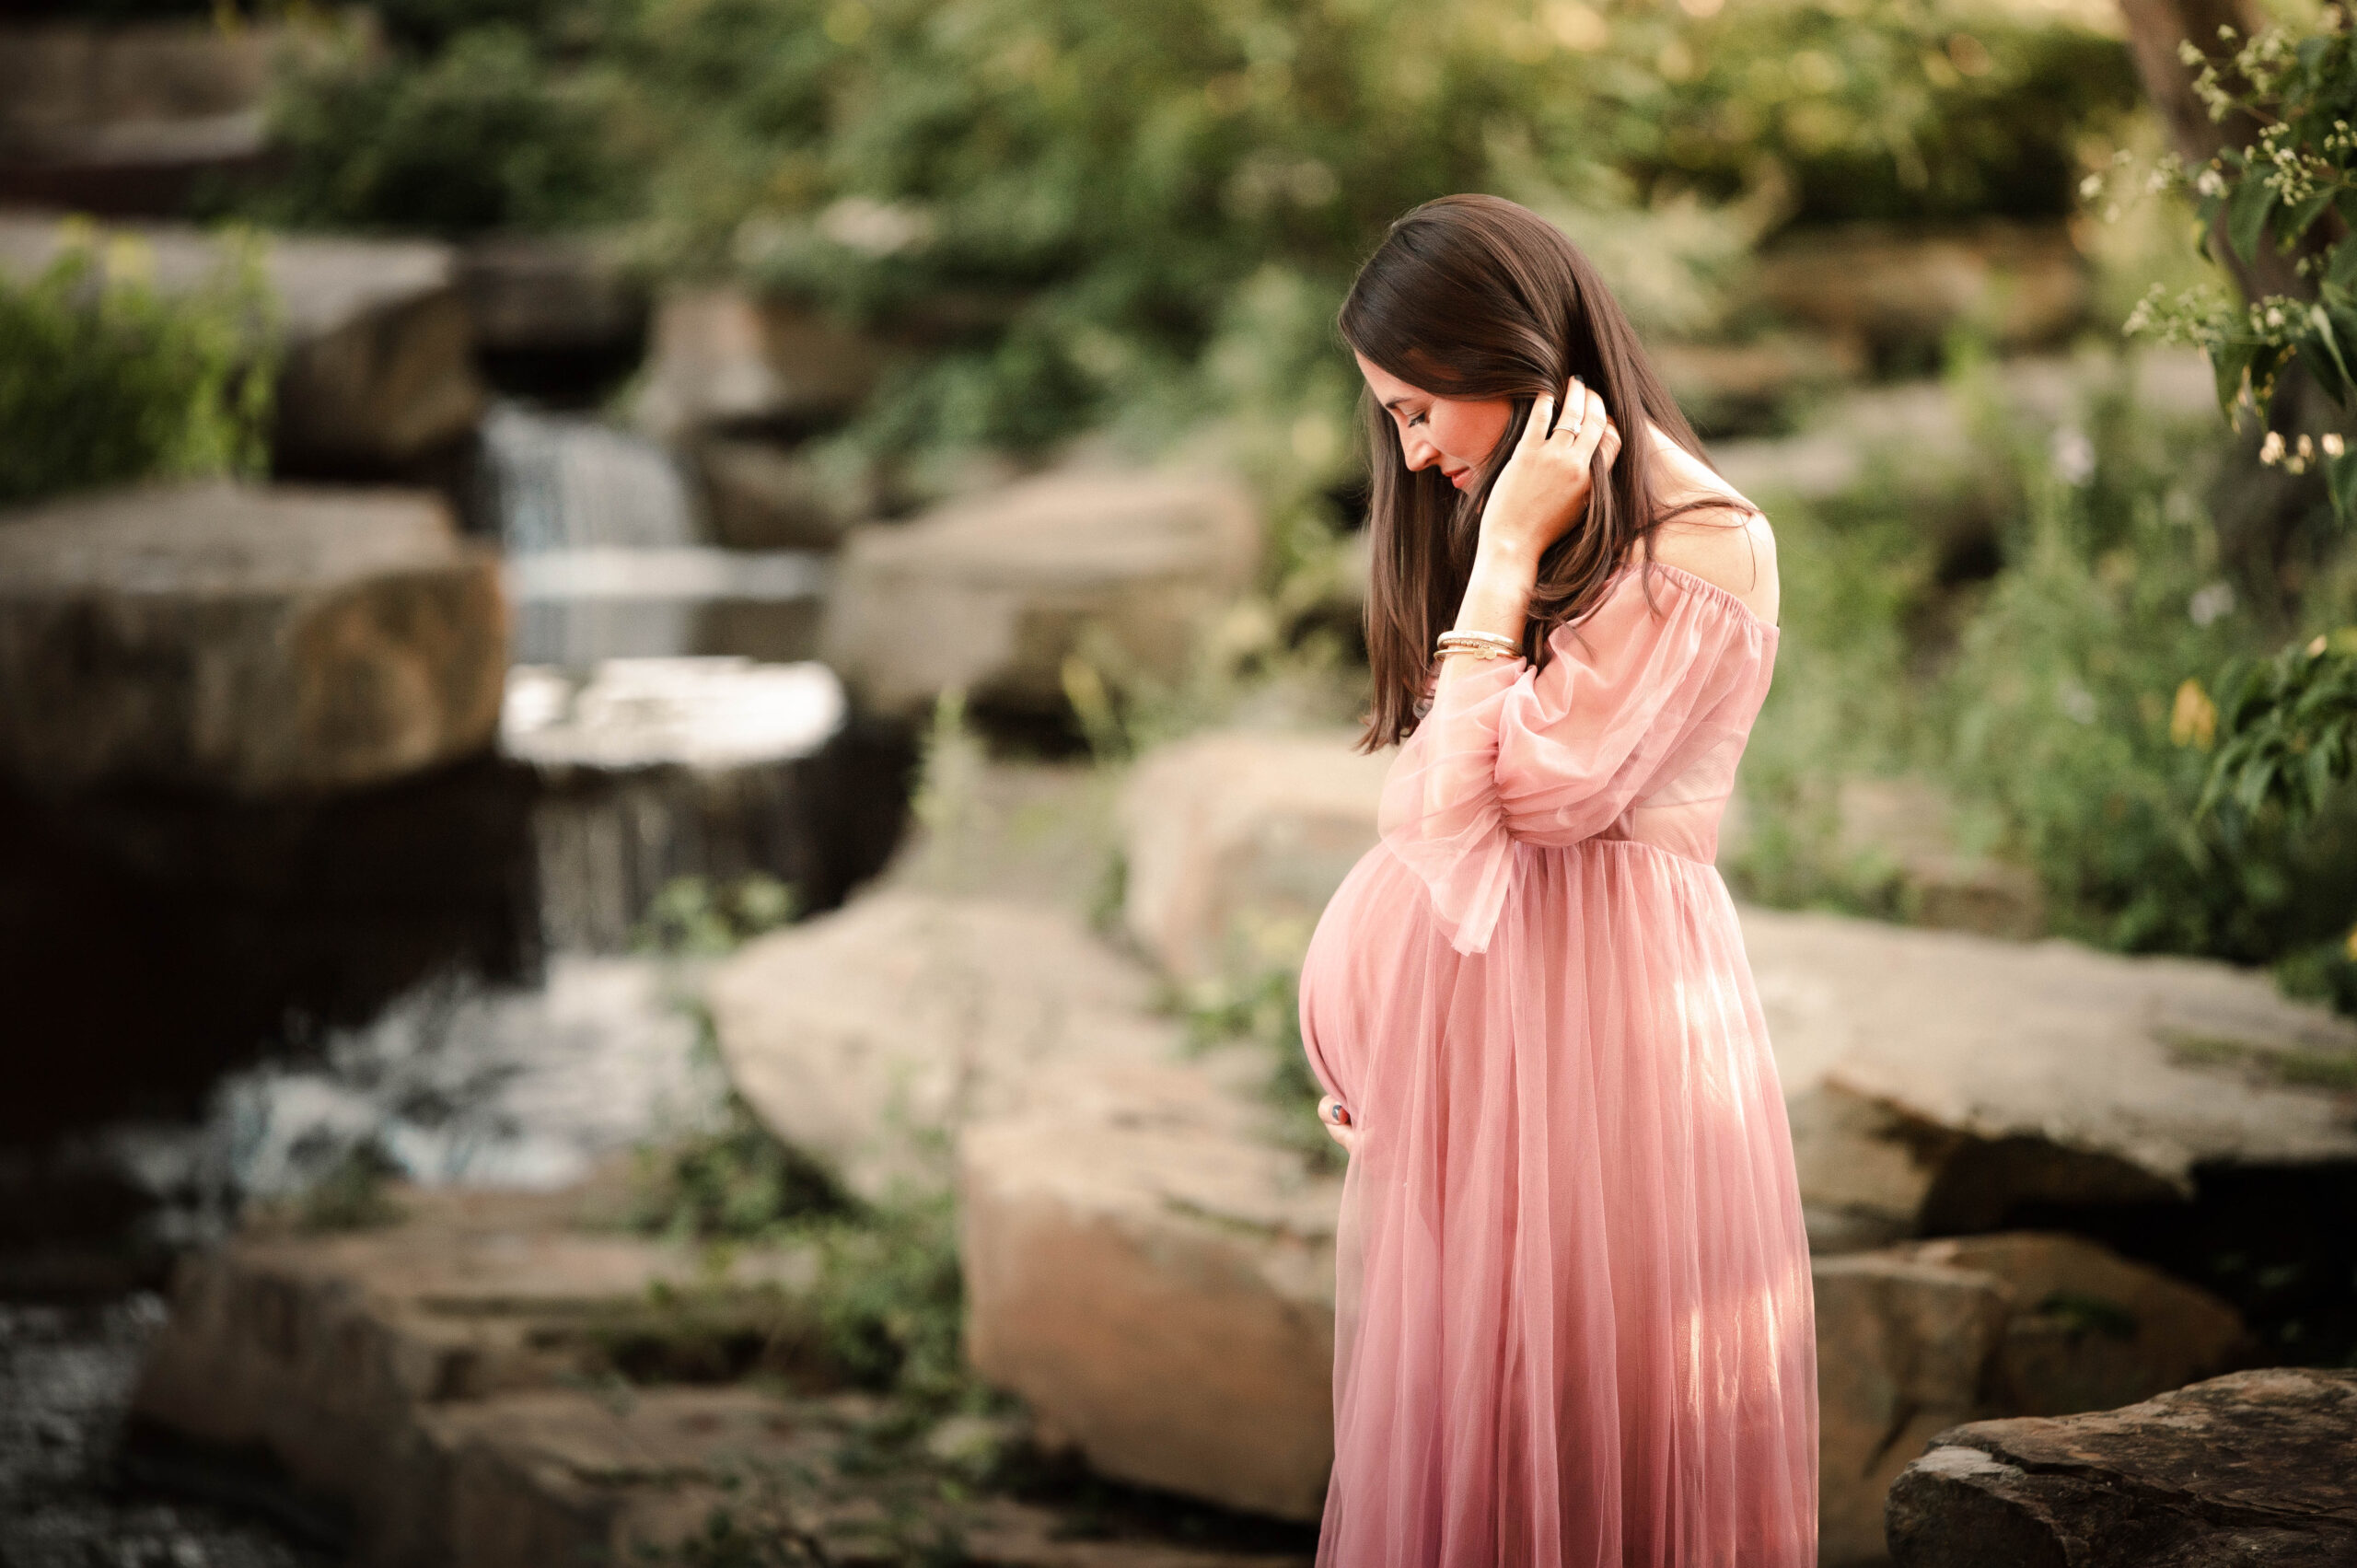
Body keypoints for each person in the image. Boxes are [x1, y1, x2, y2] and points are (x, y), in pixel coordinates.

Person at [1297, 193, 1817, 1566]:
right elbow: (1431, 816)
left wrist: (1510, 560)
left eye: (1420, 410)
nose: (1411, 456)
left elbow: (1524, 793)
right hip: (1483, 1071)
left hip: (1602, 1046)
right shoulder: (1526, 524)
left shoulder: (1701, 542)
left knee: (1598, 1426)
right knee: (1478, 1440)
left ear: (1516, 355)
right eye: (1392, 420)